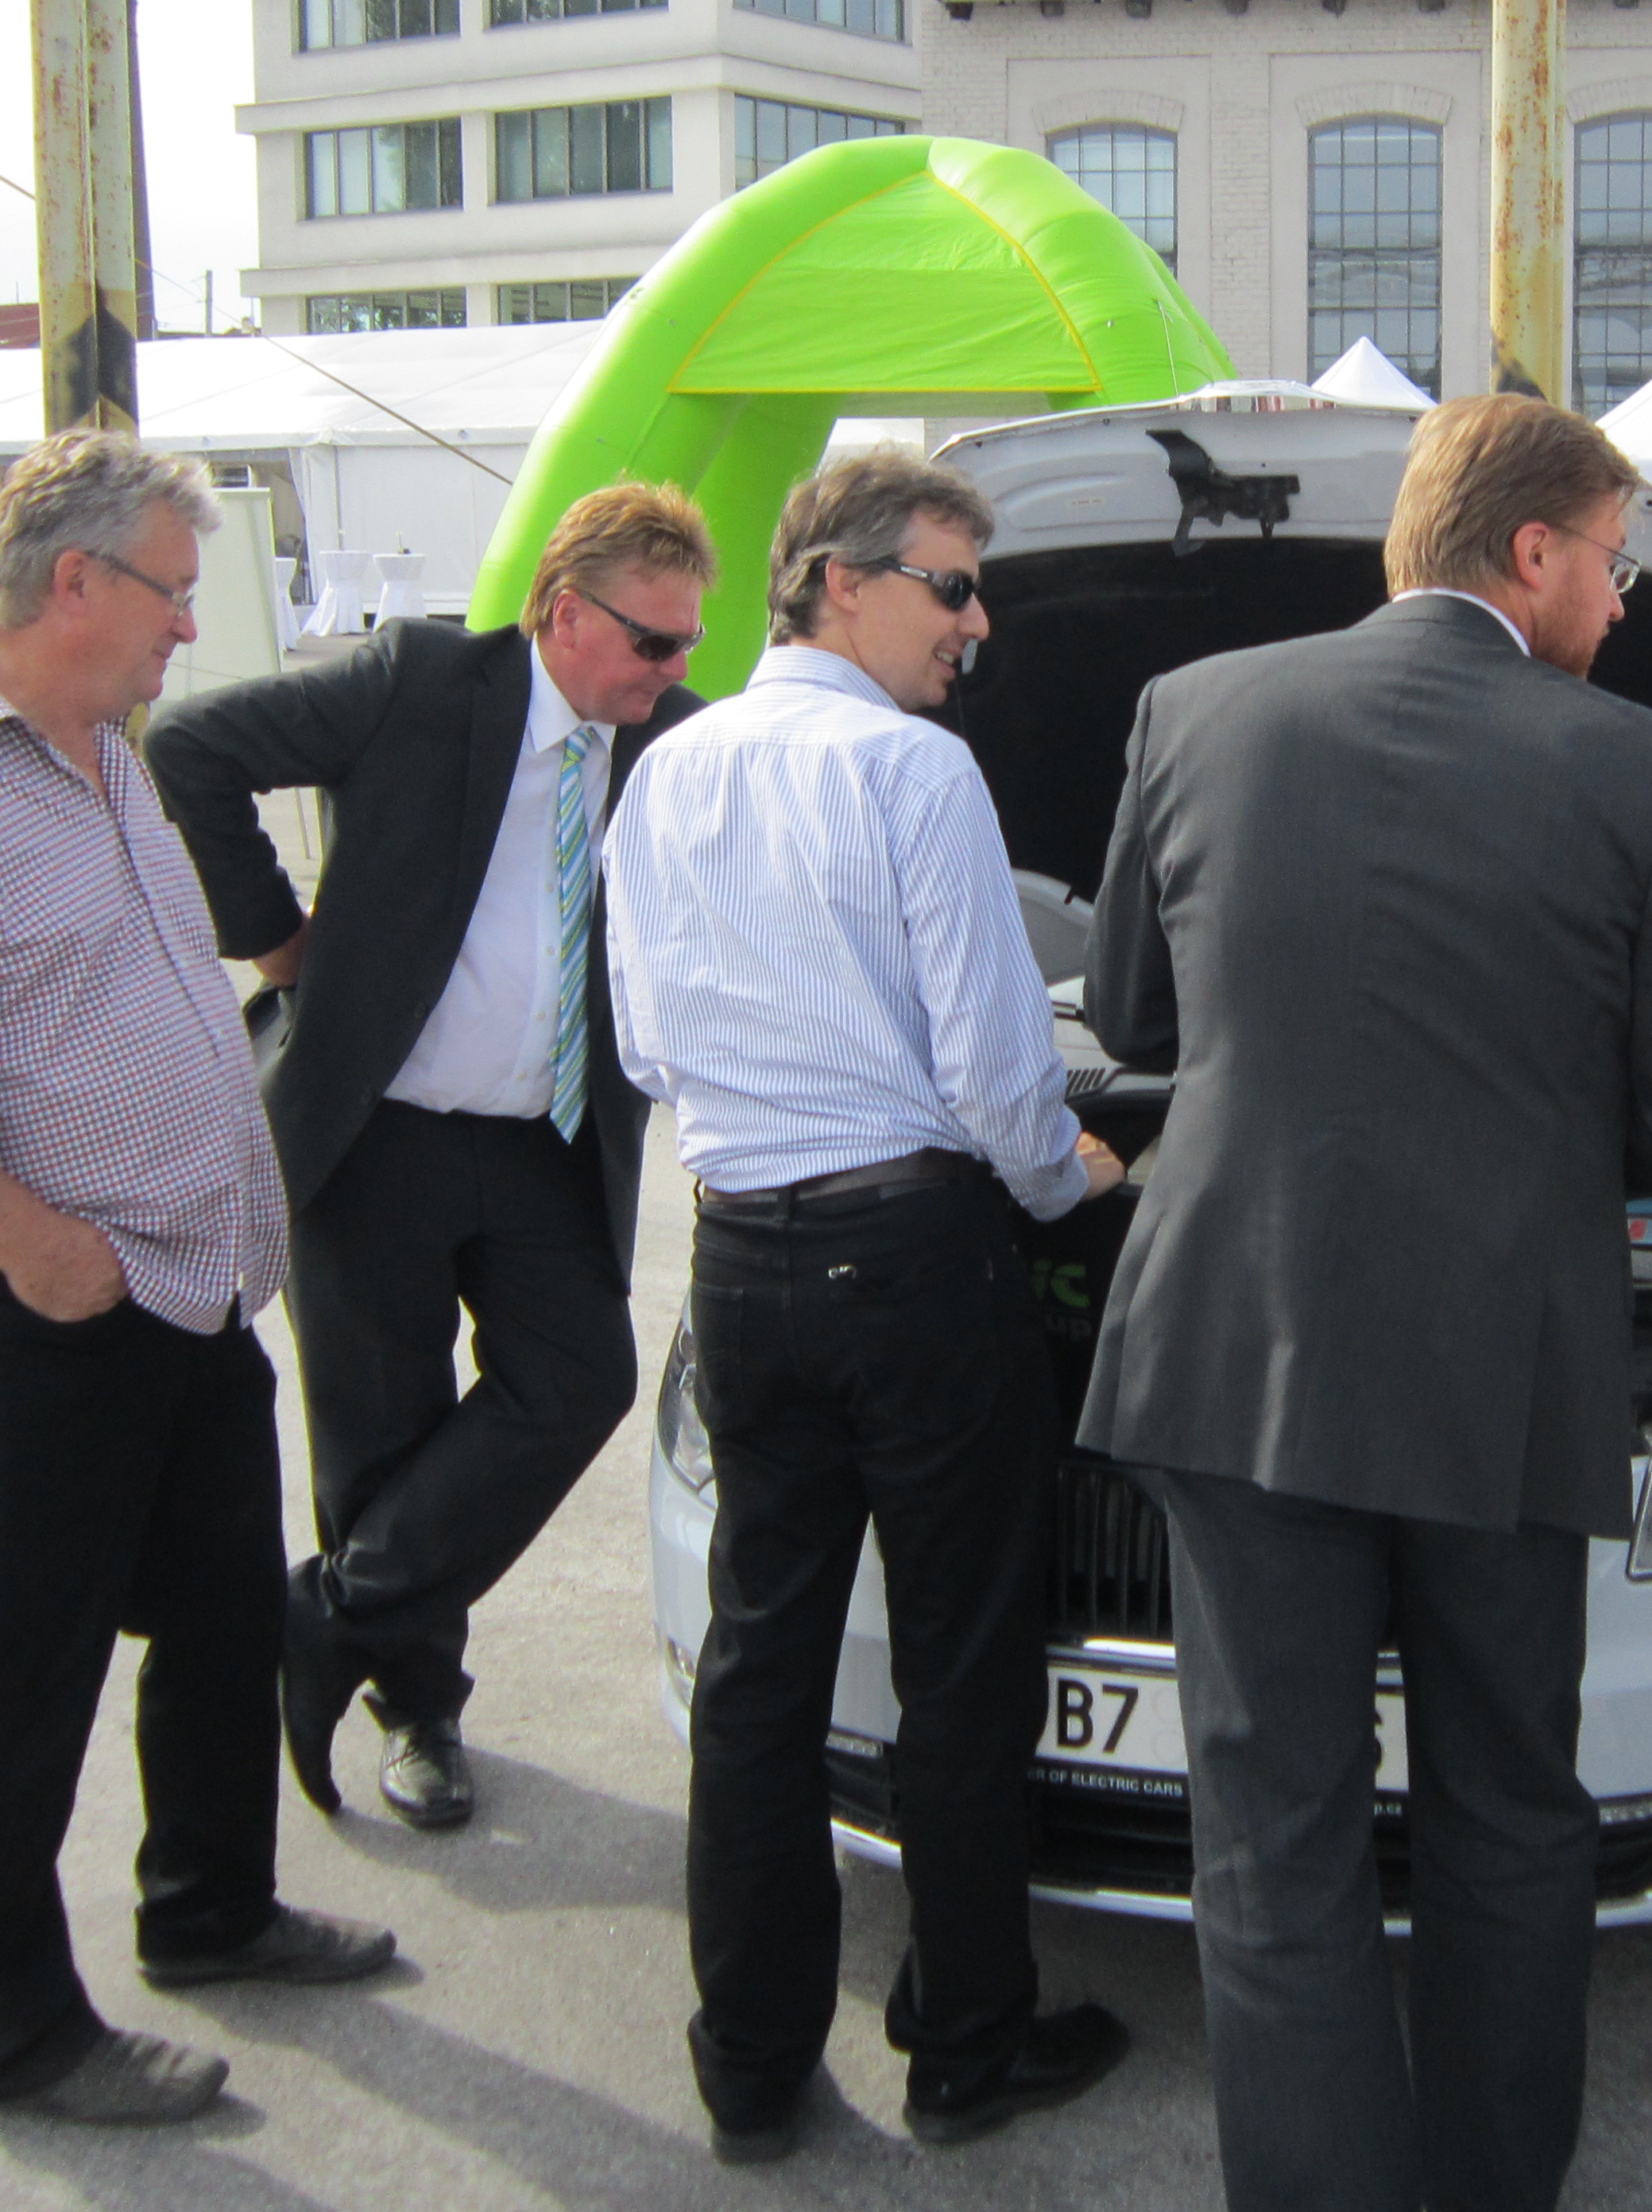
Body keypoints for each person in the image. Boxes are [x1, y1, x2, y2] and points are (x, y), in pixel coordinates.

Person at [1077, 393, 1652, 2212]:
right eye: (1615, 565)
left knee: (1274, 1831)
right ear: (1532, 552)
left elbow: (1137, 1021)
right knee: (1508, 1806)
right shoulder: (1643, 766)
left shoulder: (1192, 710)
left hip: (1238, 1350)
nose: (1619, 603)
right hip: (1500, 1366)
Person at [0, 432, 394, 2131]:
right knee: (14, 1681)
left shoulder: (105, 756)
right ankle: (20, 2034)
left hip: (187, 1291)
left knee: (222, 1621)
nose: (190, 627)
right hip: (38, 1316)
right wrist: (36, 1250)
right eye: (174, 593)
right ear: (75, 582)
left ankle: (211, 1908)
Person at [604, 447, 1130, 2165]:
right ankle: (968, 2046)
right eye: (952, 587)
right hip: (914, 1267)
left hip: (741, 1260)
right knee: (963, 1662)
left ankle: (751, 2067)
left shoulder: (665, 770)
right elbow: (995, 1069)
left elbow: (643, 1046)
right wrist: (1075, 1180)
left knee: (759, 1670)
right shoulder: (914, 769)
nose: (977, 626)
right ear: (839, 579)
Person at [142, 483, 714, 1831]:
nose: (671, 669)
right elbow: (190, 747)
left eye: (689, 643)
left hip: (545, 1145)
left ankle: (328, 1618)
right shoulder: (418, 683)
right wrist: (278, 942)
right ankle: (420, 1711)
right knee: (379, 1433)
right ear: (564, 613)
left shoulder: (677, 744)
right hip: (375, 1131)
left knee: (580, 1379)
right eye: (652, 642)